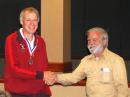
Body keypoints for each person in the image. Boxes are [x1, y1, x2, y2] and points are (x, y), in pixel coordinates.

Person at [47, 27, 129, 97]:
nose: (91, 43)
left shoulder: (116, 60)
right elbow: (73, 77)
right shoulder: (86, 60)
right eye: (89, 40)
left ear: (104, 41)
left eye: (94, 40)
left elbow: (122, 89)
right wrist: (56, 77)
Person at [4, 7, 55, 97]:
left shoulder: (41, 41)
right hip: (18, 93)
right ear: (21, 22)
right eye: (28, 20)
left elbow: (44, 67)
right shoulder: (11, 39)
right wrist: (41, 75)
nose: (32, 23)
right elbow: (14, 70)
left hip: (40, 92)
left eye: (35, 20)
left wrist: (49, 78)